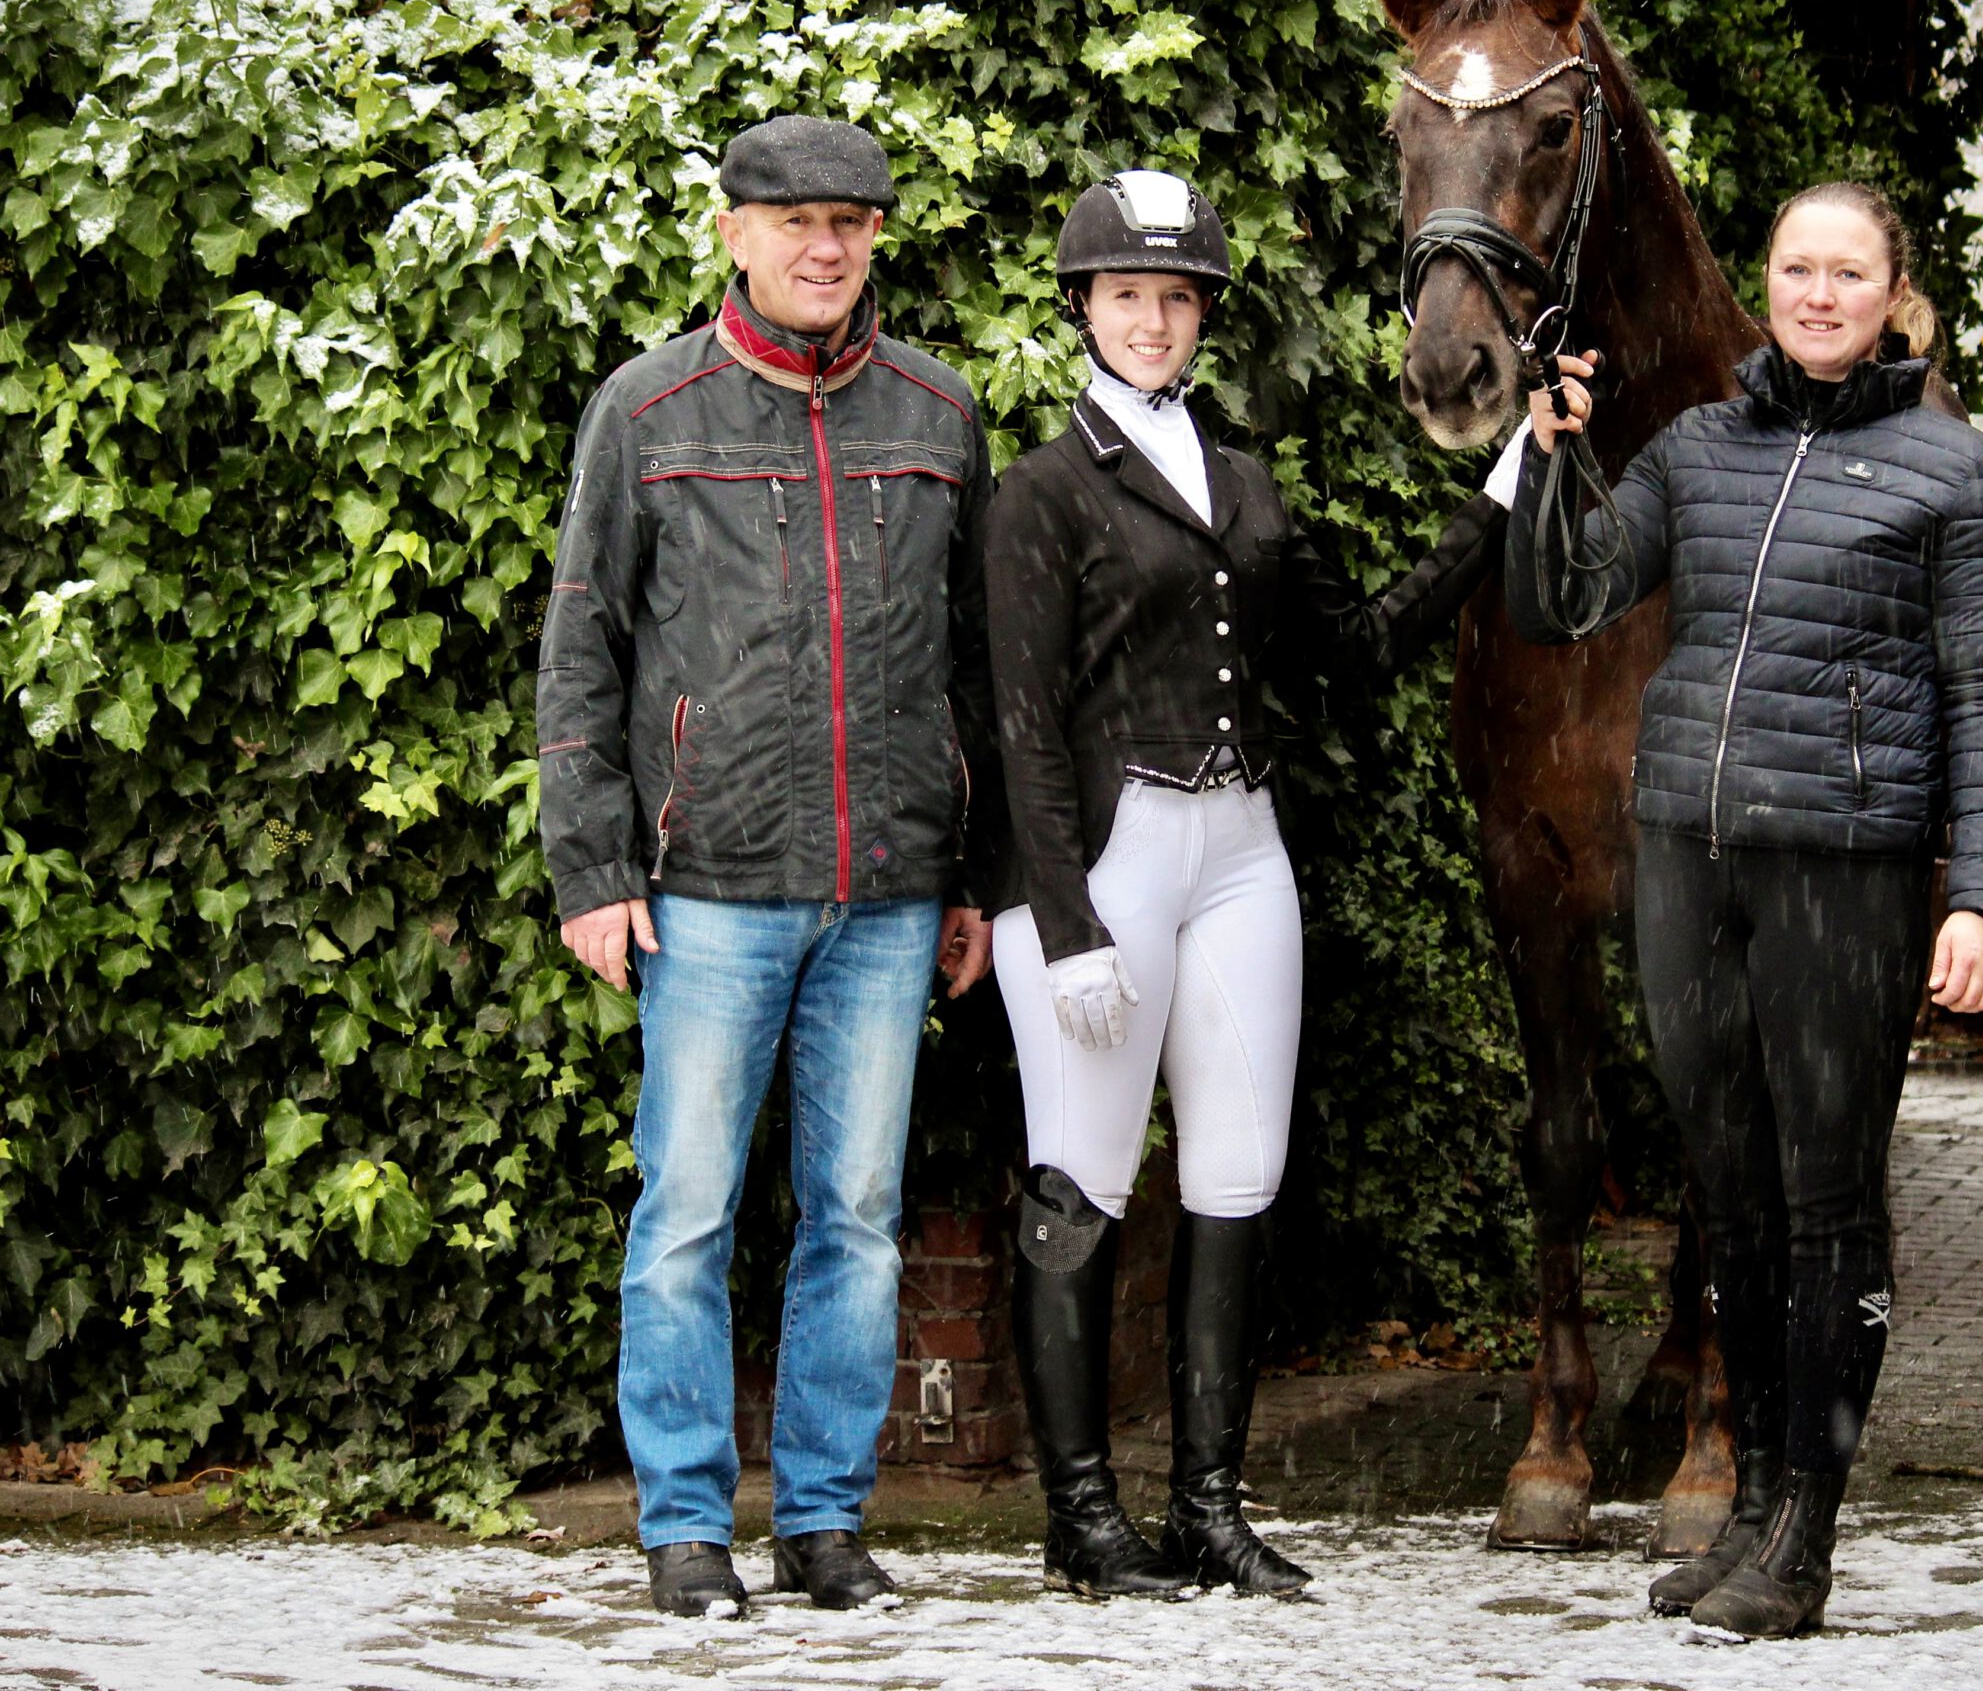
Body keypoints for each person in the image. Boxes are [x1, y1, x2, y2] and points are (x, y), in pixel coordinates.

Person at [984, 169, 1587, 1600]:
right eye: (1127, 295)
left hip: (1242, 849)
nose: (1152, 319)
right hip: (1105, 865)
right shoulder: (1040, 491)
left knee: (1238, 1178)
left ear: (1201, 317)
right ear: (1084, 307)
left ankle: (1209, 1506)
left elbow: (1365, 644)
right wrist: (1063, 926)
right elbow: (1013, 724)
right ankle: (1082, 1521)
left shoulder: (1243, 481)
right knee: (1078, 1182)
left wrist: (1509, 482)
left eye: (1175, 297)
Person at [1506, 180, 1983, 1640]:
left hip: (1846, 871)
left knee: (1826, 1207)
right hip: (1690, 857)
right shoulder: (1698, 449)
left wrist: (1980, 896)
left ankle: (1808, 1527)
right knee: (1725, 1197)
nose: (1817, 295)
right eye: (1796, 269)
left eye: (1846, 273)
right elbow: (1571, 597)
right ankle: (1746, 1510)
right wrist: (1552, 457)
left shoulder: (1958, 474)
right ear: (1768, 282)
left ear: (1890, 295)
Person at [537, 117, 1002, 1618]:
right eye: (796, 220)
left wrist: (973, 875)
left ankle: (821, 1523)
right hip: (707, 890)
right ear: (732, 231)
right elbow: (580, 652)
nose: (826, 247)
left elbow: (979, 671)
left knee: (856, 1216)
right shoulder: (650, 410)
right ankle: (683, 1525)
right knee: (685, 1210)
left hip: (889, 899)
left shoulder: (938, 413)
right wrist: (593, 869)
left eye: (853, 224)